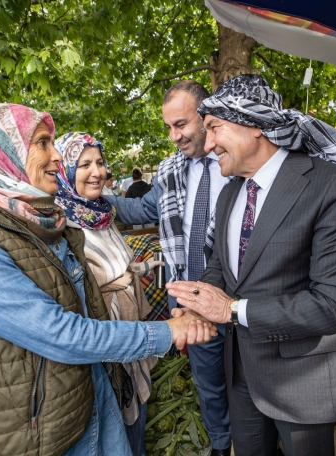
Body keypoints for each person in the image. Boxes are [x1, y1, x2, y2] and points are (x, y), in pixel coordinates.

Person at [0, 103, 216, 455]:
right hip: (37, 432)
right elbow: (62, 333)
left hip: (91, 398)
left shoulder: (42, 222)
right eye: (43, 144)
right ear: (4, 155)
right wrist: (169, 332)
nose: (56, 158)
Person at [167, 74, 336, 456]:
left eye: (214, 128)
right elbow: (222, 267)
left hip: (302, 380)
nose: (208, 144)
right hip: (241, 371)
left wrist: (230, 309)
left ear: (256, 125)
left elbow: (335, 306)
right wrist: (198, 304)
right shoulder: (230, 193)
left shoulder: (331, 186)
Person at [105, 80, 233, 456]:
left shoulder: (236, 159)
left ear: (206, 116)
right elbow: (145, 210)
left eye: (181, 124)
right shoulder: (171, 170)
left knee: (250, 381)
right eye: (169, 128)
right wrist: (98, 200)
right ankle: (222, 445)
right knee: (208, 383)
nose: (174, 136)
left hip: (240, 297)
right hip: (190, 302)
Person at [54, 131, 166, 456]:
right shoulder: (61, 226)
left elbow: (122, 268)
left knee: (135, 426)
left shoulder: (103, 213)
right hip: (102, 351)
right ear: (65, 171)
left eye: (100, 162)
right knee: (111, 435)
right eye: (84, 164)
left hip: (132, 341)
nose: (97, 172)